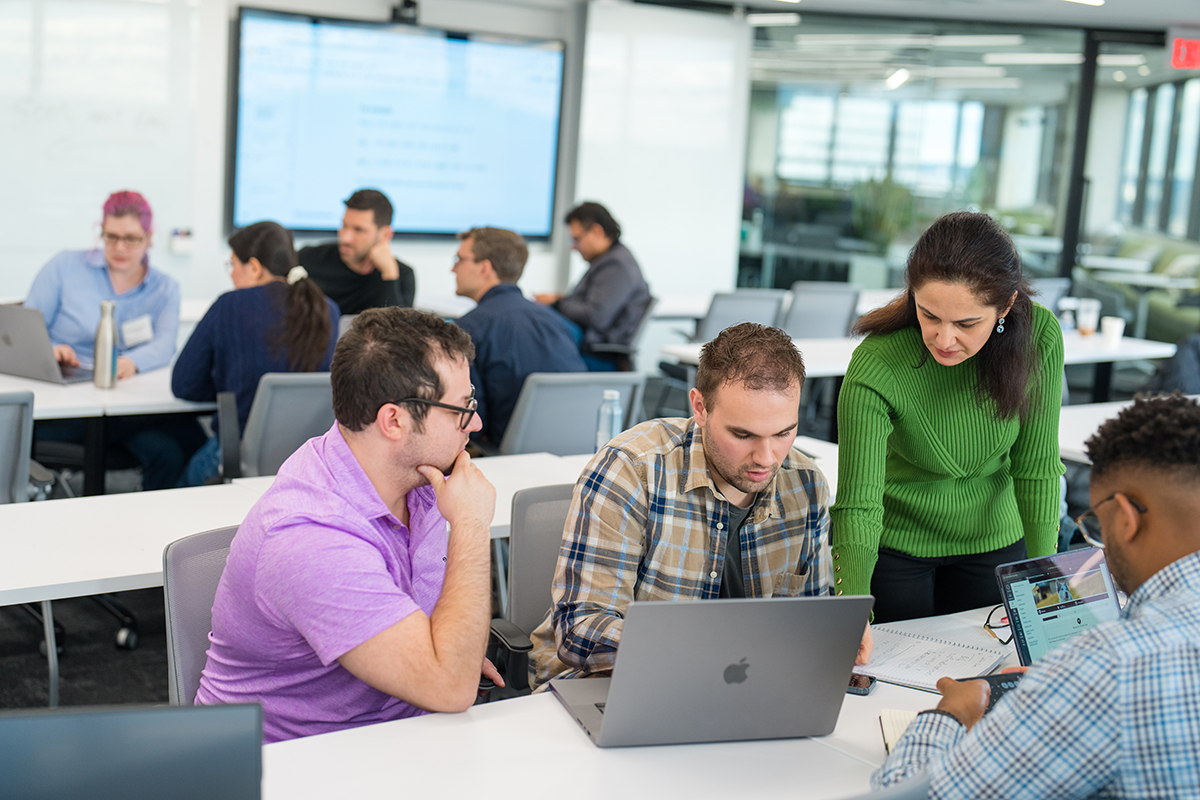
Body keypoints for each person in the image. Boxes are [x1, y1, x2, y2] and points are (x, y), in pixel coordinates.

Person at [195, 308, 501, 742]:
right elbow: (450, 687)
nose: (477, 423)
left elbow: (439, 650)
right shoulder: (312, 537)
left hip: (394, 734)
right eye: (462, 408)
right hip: (294, 764)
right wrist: (471, 524)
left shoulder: (421, 480)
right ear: (393, 420)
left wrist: (448, 649)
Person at [873, 393, 1200, 798]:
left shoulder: (1111, 665)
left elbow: (919, 795)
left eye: (1097, 522)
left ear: (1127, 520)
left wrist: (951, 714)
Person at [530, 323, 871, 690]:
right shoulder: (631, 470)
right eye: (743, 435)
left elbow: (808, 621)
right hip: (615, 682)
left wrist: (832, 640)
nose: (766, 458)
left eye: (784, 433)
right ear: (700, 407)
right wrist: (709, 653)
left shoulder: (806, 484)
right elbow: (580, 628)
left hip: (746, 687)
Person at [830, 212, 1065, 622]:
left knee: (988, 677)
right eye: (929, 315)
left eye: (967, 323)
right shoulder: (878, 362)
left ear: (1006, 306)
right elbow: (859, 505)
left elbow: (1037, 469)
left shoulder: (1039, 338)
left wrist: (1043, 580)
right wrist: (851, 614)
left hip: (996, 543)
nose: (944, 339)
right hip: (892, 550)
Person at [25, 190, 203, 490]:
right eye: (111, 236)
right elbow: (29, 326)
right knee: (185, 434)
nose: (120, 247)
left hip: (126, 403)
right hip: (69, 401)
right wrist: (51, 349)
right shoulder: (65, 266)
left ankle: (154, 529)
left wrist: (131, 362)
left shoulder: (164, 288)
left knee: (167, 453)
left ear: (149, 238)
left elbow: (164, 344)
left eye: (131, 238)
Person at [171, 221, 340, 486]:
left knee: (172, 482)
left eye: (233, 265)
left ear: (254, 267)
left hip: (235, 459)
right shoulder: (327, 310)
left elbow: (184, 384)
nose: (231, 275)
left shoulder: (230, 305)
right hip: (308, 466)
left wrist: (228, 388)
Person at [451, 226, 585, 447]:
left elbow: (470, 421)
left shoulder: (469, 329)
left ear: (485, 268)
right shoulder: (558, 322)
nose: (453, 269)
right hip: (573, 452)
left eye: (459, 259)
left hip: (502, 457)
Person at [534, 201, 651, 371]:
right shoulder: (608, 260)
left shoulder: (616, 265)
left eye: (576, 239)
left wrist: (557, 304)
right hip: (588, 347)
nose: (573, 247)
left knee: (537, 336)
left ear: (597, 231)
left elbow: (595, 317)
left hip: (598, 356)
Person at [297, 189, 415, 315]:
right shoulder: (310, 258)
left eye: (359, 230)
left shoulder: (400, 276)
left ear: (385, 235)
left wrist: (389, 275)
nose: (346, 238)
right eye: (344, 226)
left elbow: (396, 332)